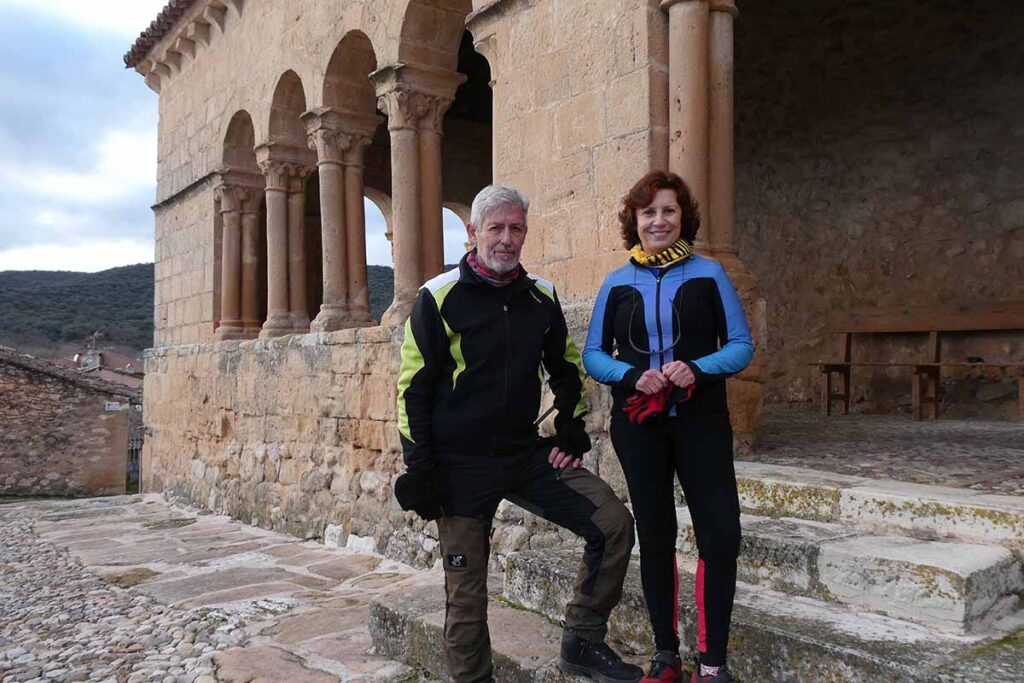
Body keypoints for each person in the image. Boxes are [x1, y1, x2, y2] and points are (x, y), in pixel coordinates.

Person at [394, 185, 642, 683]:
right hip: (459, 465)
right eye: (496, 228)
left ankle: (582, 640)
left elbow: (566, 368)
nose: (507, 239)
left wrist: (569, 429)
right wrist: (421, 468)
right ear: (473, 233)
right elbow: (412, 389)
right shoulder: (438, 297)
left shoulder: (540, 296)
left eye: (517, 228)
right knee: (466, 595)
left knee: (614, 523)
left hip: (525, 455)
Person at [582, 171, 754, 683]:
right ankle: (665, 654)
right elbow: (594, 354)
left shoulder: (710, 274)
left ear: (684, 218)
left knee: (720, 536)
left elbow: (741, 345)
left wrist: (697, 368)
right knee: (656, 535)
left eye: (668, 211)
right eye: (648, 212)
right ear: (634, 222)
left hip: (701, 421)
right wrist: (634, 375)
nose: (659, 220)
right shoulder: (616, 283)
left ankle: (713, 660)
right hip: (639, 427)